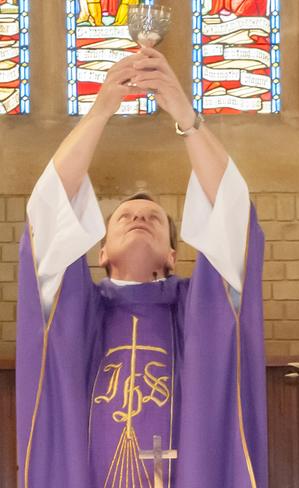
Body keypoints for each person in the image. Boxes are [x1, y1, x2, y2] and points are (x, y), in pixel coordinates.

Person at [16, 48, 267, 488]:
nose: (139, 218)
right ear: (100, 252)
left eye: (153, 218)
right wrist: (100, 110)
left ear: (173, 254)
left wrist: (185, 114)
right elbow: (48, 210)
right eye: (125, 217)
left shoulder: (203, 313)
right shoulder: (74, 313)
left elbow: (232, 215)